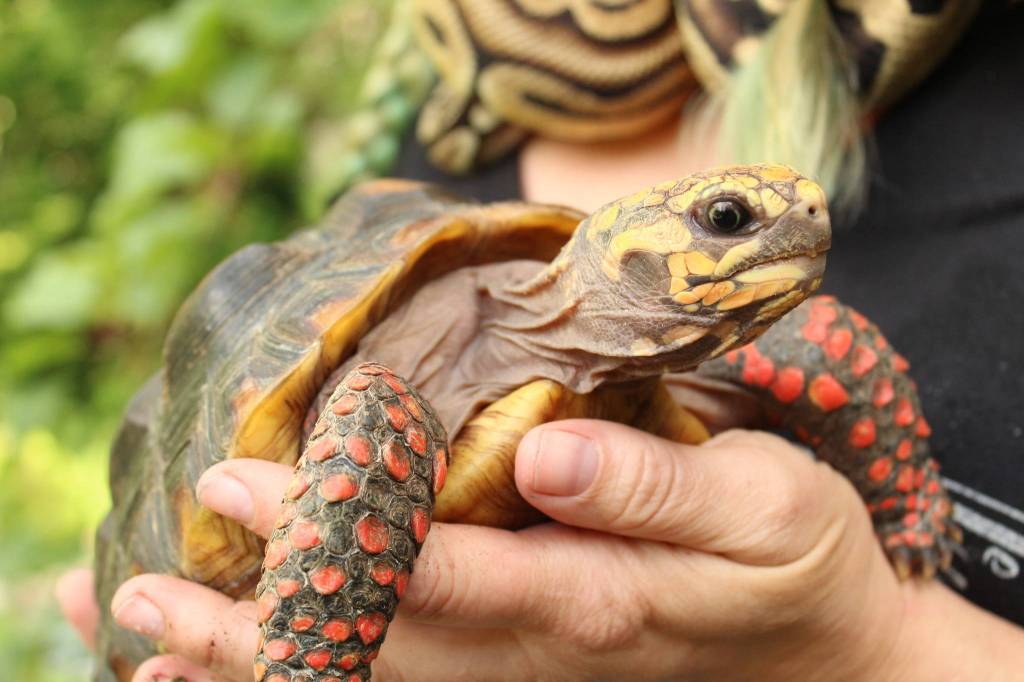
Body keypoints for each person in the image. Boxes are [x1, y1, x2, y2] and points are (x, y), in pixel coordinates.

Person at [59, 4, 1024, 680]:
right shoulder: (447, 145)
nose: (800, 220)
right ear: (625, 254)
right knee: (376, 424)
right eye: (730, 218)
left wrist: (871, 645)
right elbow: (364, 418)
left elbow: (830, 353)